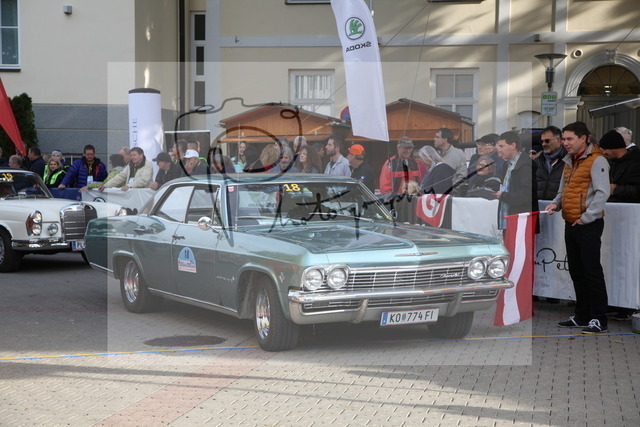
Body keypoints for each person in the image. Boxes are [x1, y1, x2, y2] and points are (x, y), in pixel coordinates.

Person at [546, 121, 610, 334]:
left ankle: (599, 318)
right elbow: (564, 190)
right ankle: (582, 315)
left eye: (569, 139)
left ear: (584, 138)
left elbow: (602, 193)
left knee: (591, 271)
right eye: (563, 139)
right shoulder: (569, 160)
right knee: (576, 271)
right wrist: (556, 203)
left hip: (588, 224)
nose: (565, 143)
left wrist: (587, 217)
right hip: (571, 221)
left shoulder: (597, 160)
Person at [493, 131, 538, 229]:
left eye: (501, 146)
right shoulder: (506, 164)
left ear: (513, 145)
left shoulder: (525, 165)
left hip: (521, 221)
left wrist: (503, 195)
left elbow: (527, 195)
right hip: (509, 219)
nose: (499, 150)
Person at [599, 129, 640, 203]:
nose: (603, 152)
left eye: (605, 149)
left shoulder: (636, 162)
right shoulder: (611, 162)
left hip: (632, 208)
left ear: (614, 147)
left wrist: (615, 190)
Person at [533, 126, 567, 200]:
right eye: (542, 141)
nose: (544, 144)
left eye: (547, 141)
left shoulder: (568, 161)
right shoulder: (537, 161)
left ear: (558, 140)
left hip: (559, 204)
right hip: (539, 204)